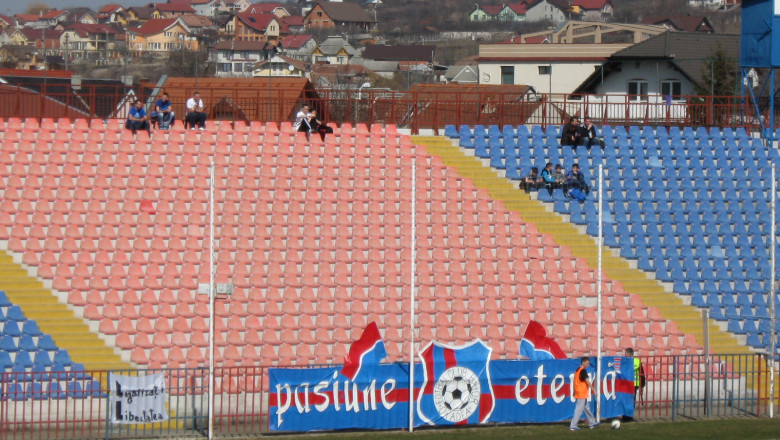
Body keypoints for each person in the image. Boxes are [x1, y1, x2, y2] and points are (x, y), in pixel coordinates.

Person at [570, 357, 599, 431]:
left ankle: (592, 423)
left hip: (579, 392)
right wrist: (594, 390)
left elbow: (575, 381)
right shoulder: (583, 371)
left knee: (587, 408)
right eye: (587, 363)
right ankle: (573, 426)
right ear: (583, 362)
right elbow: (587, 381)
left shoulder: (577, 370)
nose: (588, 365)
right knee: (579, 409)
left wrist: (574, 391)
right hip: (581, 393)